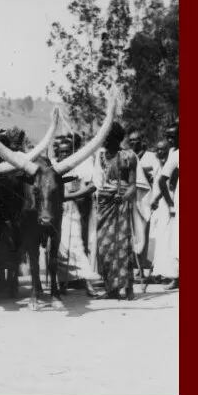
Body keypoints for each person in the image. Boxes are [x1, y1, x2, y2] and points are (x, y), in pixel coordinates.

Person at [92, 122, 139, 300]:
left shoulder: (129, 156)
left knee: (122, 246)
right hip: (104, 205)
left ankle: (128, 288)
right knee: (104, 246)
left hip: (121, 205)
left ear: (115, 138)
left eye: (106, 137)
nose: (103, 140)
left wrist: (125, 195)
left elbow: (134, 185)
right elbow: (97, 181)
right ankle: (111, 288)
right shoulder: (100, 156)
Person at [55, 136, 101, 297]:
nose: (64, 155)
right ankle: (62, 283)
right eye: (61, 152)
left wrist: (70, 196)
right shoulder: (54, 167)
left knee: (77, 246)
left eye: (68, 152)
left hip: (75, 210)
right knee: (60, 249)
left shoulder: (80, 166)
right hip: (58, 212)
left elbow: (91, 187)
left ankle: (88, 283)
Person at [157, 135, 179, 290]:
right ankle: (176, 278)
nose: (170, 140)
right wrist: (170, 204)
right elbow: (161, 180)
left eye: (173, 136)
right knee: (178, 239)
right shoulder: (176, 155)